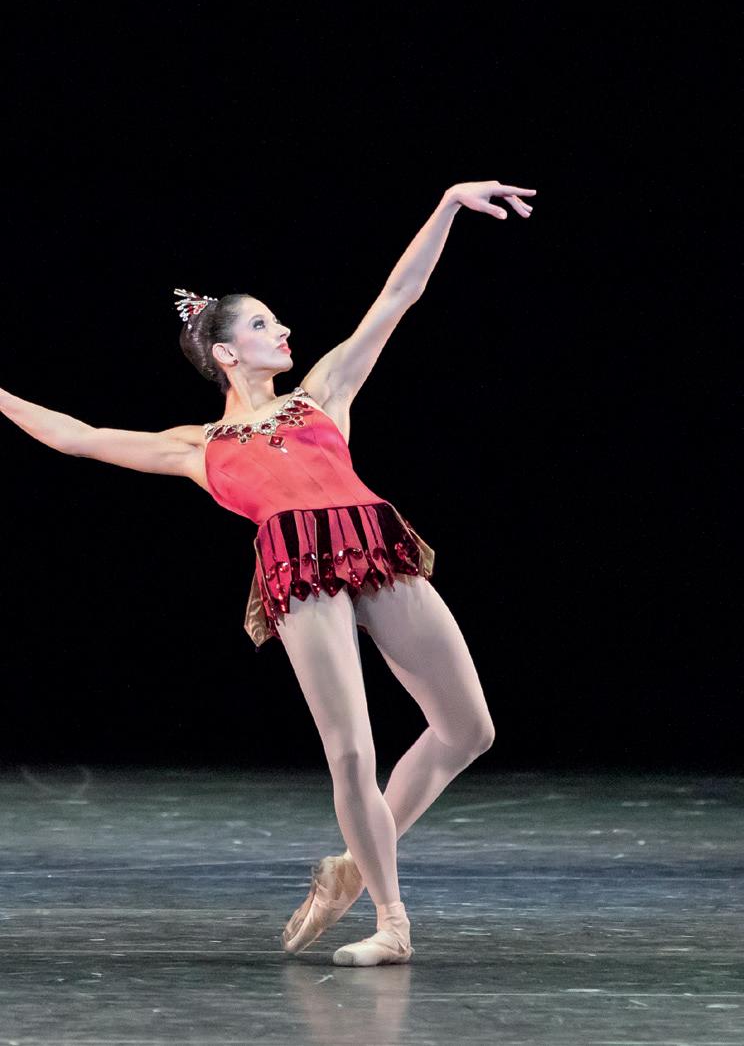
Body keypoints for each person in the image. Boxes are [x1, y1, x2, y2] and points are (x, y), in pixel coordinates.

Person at [0, 177, 536, 966]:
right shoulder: (198, 446)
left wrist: (448, 204)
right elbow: (76, 435)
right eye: (261, 323)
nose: (282, 328)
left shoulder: (322, 394)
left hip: (370, 542)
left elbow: (397, 296)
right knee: (351, 751)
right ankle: (392, 921)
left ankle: (352, 866)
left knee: (470, 729)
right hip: (298, 571)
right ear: (226, 353)